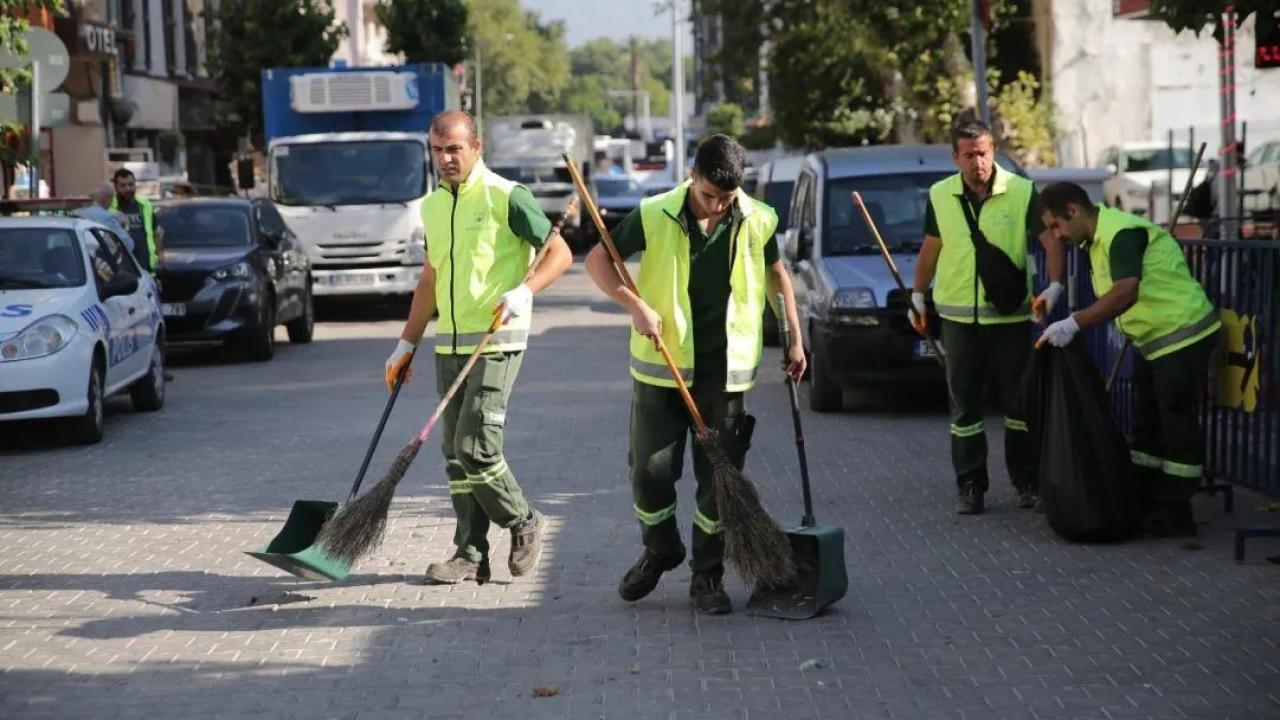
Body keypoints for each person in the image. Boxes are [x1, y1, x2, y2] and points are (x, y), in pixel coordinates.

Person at [583, 134, 806, 615]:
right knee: (650, 470)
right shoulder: (655, 213)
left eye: (726, 199)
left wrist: (793, 332)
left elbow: (775, 273)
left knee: (720, 482)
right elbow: (597, 260)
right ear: (692, 175)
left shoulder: (758, 217)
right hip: (661, 368)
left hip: (725, 375)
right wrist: (635, 304)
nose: (716, 208)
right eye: (709, 196)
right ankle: (661, 548)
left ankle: (708, 576)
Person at [385, 110, 573, 584]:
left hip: (497, 341)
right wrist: (406, 343)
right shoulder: (431, 206)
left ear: (476, 147)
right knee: (454, 452)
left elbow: (560, 253)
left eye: (454, 149)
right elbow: (431, 277)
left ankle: (523, 520)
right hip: (448, 345)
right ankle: (469, 553)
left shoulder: (507, 197)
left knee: (476, 446)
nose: (445, 158)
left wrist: (525, 291)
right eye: (437, 150)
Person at [1036, 181, 1221, 537]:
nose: (1056, 236)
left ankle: (1177, 508)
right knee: (1146, 421)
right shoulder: (1098, 239)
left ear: (1073, 212)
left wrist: (1075, 322)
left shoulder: (1120, 234)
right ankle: (1146, 497)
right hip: (1155, 340)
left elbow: (1125, 292)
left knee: (1173, 416)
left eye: (1056, 225)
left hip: (1183, 333)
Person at [909, 120, 1066, 515]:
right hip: (959, 319)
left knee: (1020, 407)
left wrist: (1055, 285)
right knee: (965, 410)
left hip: (1010, 319)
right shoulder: (941, 195)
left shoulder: (1022, 191)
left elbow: (1050, 240)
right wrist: (917, 294)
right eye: (969, 155)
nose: (978, 162)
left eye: (983, 152)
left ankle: (1028, 483)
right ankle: (970, 486)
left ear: (993, 150)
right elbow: (931, 247)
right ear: (955, 158)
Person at [110, 169, 158, 272]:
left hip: (147, 267)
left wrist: (160, 256)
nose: (128, 188)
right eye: (123, 185)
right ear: (116, 187)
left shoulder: (145, 204)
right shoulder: (111, 207)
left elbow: (158, 232)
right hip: (122, 269)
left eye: (131, 184)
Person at [74, 183, 132, 251]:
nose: (111, 202)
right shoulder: (107, 218)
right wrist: (123, 226)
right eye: (111, 198)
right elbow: (128, 244)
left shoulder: (76, 213)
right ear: (106, 198)